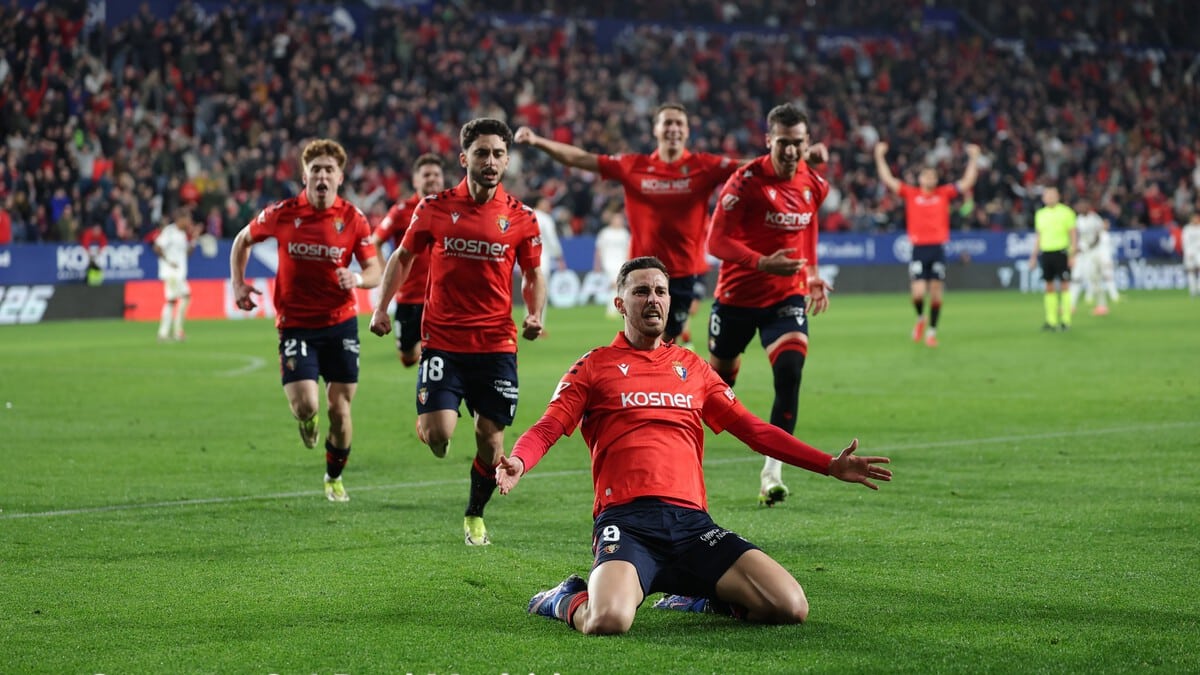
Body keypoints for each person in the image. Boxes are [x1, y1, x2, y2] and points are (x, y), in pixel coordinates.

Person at [496, 256, 891, 635]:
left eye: (661, 291)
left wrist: (828, 465)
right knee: (608, 621)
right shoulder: (593, 367)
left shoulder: (693, 368)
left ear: (670, 300)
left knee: (789, 606)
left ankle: (701, 597)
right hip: (628, 526)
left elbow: (754, 430)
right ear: (619, 303)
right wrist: (519, 461)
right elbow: (548, 427)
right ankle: (564, 599)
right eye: (641, 292)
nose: (653, 299)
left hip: (693, 527)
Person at [369, 118, 546, 546]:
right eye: (482, 153)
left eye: (498, 154)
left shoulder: (521, 217)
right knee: (439, 435)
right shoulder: (433, 207)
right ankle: (429, 426)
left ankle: (474, 514)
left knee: (491, 438)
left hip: (496, 344)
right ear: (464, 158)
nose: (490, 161)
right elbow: (403, 257)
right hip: (443, 342)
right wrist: (381, 306)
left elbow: (533, 273)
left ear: (507, 160)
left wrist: (536, 313)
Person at [229, 138, 382, 503]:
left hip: (341, 322)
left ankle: (333, 476)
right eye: (316, 170)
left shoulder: (353, 219)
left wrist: (357, 279)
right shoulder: (282, 214)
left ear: (340, 177)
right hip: (296, 324)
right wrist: (238, 283)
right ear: (305, 175)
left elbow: (375, 269)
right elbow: (242, 240)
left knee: (339, 409)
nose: (322, 176)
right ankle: (307, 422)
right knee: (307, 406)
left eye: (329, 170)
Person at [514, 103, 739, 346]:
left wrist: (782, 151)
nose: (673, 128)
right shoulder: (634, 166)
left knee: (665, 346)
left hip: (683, 273)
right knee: (643, 342)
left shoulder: (703, 166)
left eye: (679, 123)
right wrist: (538, 141)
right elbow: (581, 159)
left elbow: (749, 167)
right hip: (640, 272)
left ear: (687, 131)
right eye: (668, 122)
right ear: (656, 129)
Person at [705, 103, 832, 507]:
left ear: (807, 142)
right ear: (768, 141)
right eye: (783, 143)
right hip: (736, 297)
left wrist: (810, 274)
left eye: (797, 143)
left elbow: (809, 223)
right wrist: (761, 262)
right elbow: (715, 242)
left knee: (791, 371)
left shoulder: (814, 183)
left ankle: (772, 471)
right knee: (717, 391)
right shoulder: (744, 182)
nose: (791, 151)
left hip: (785, 295)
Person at [874, 141, 981, 347]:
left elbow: (967, 182)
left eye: (933, 176)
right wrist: (879, 156)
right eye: (926, 176)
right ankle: (920, 318)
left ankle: (932, 332)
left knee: (935, 292)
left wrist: (974, 158)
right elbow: (888, 179)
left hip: (938, 248)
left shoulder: (944, 193)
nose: (930, 179)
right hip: (919, 249)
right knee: (917, 293)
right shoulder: (911, 194)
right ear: (920, 179)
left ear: (936, 179)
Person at [367, 153, 446, 366]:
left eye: (436, 174)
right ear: (415, 180)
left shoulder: (451, 209)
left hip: (441, 298)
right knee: (408, 358)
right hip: (409, 297)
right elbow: (375, 241)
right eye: (426, 174)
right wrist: (386, 271)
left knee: (441, 351)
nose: (432, 179)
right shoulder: (401, 211)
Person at [1028, 186, 1077, 331]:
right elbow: (1038, 236)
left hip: (1061, 251)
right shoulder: (1040, 214)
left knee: (1064, 285)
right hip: (1046, 252)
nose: (1050, 198)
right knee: (1049, 286)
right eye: (1047, 195)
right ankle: (1051, 320)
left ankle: (1066, 320)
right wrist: (1033, 256)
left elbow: (1073, 234)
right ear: (1043, 198)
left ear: (1058, 196)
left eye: (1052, 195)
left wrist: (1072, 254)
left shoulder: (1066, 212)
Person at [152, 207, 197, 341]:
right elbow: (157, 247)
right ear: (180, 219)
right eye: (187, 218)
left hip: (179, 273)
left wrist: (194, 239)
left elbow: (186, 254)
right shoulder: (170, 231)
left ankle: (166, 333)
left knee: (174, 300)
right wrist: (169, 261)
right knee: (181, 297)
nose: (189, 221)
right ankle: (174, 332)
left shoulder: (182, 234)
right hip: (171, 273)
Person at [1068, 199, 1117, 315]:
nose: (1081, 208)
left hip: (1093, 253)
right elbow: (1075, 236)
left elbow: (1098, 236)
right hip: (1081, 253)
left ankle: (1102, 306)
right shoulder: (1077, 220)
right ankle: (1070, 305)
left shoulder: (1094, 219)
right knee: (1076, 277)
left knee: (1094, 279)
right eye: (1079, 206)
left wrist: (1086, 247)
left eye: (1083, 205)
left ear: (1088, 206)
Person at [531, 195, 564, 331]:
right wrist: (559, 257)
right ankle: (538, 325)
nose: (548, 206)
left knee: (530, 293)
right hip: (542, 260)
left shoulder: (525, 215)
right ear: (539, 204)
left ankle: (529, 320)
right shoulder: (545, 219)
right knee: (541, 293)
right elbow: (552, 240)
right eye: (545, 203)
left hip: (526, 260)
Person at [594, 211, 631, 319]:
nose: (619, 221)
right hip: (609, 262)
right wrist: (597, 264)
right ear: (611, 220)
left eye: (620, 219)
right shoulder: (605, 233)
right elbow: (599, 249)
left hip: (622, 262)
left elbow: (629, 249)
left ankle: (615, 308)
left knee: (619, 286)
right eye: (616, 219)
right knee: (614, 284)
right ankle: (612, 309)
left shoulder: (624, 233)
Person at [1184, 211, 1200, 297]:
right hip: (1189, 252)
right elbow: (1185, 242)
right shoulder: (1187, 229)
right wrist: (1188, 253)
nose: (1196, 219)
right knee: (1191, 271)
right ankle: (1192, 290)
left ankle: (1199, 288)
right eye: (1195, 218)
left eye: (1197, 218)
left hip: (1199, 252)